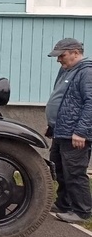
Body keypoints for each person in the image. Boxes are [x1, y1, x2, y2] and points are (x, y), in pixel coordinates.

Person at [45, 38, 92, 224]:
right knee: (59, 169)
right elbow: (62, 99)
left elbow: (90, 103)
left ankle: (81, 211)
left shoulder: (86, 72)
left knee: (74, 172)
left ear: (75, 52)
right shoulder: (68, 70)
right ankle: (64, 204)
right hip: (61, 131)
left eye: (62, 56)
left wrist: (81, 132)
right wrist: (52, 124)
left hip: (75, 134)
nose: (59, 60)